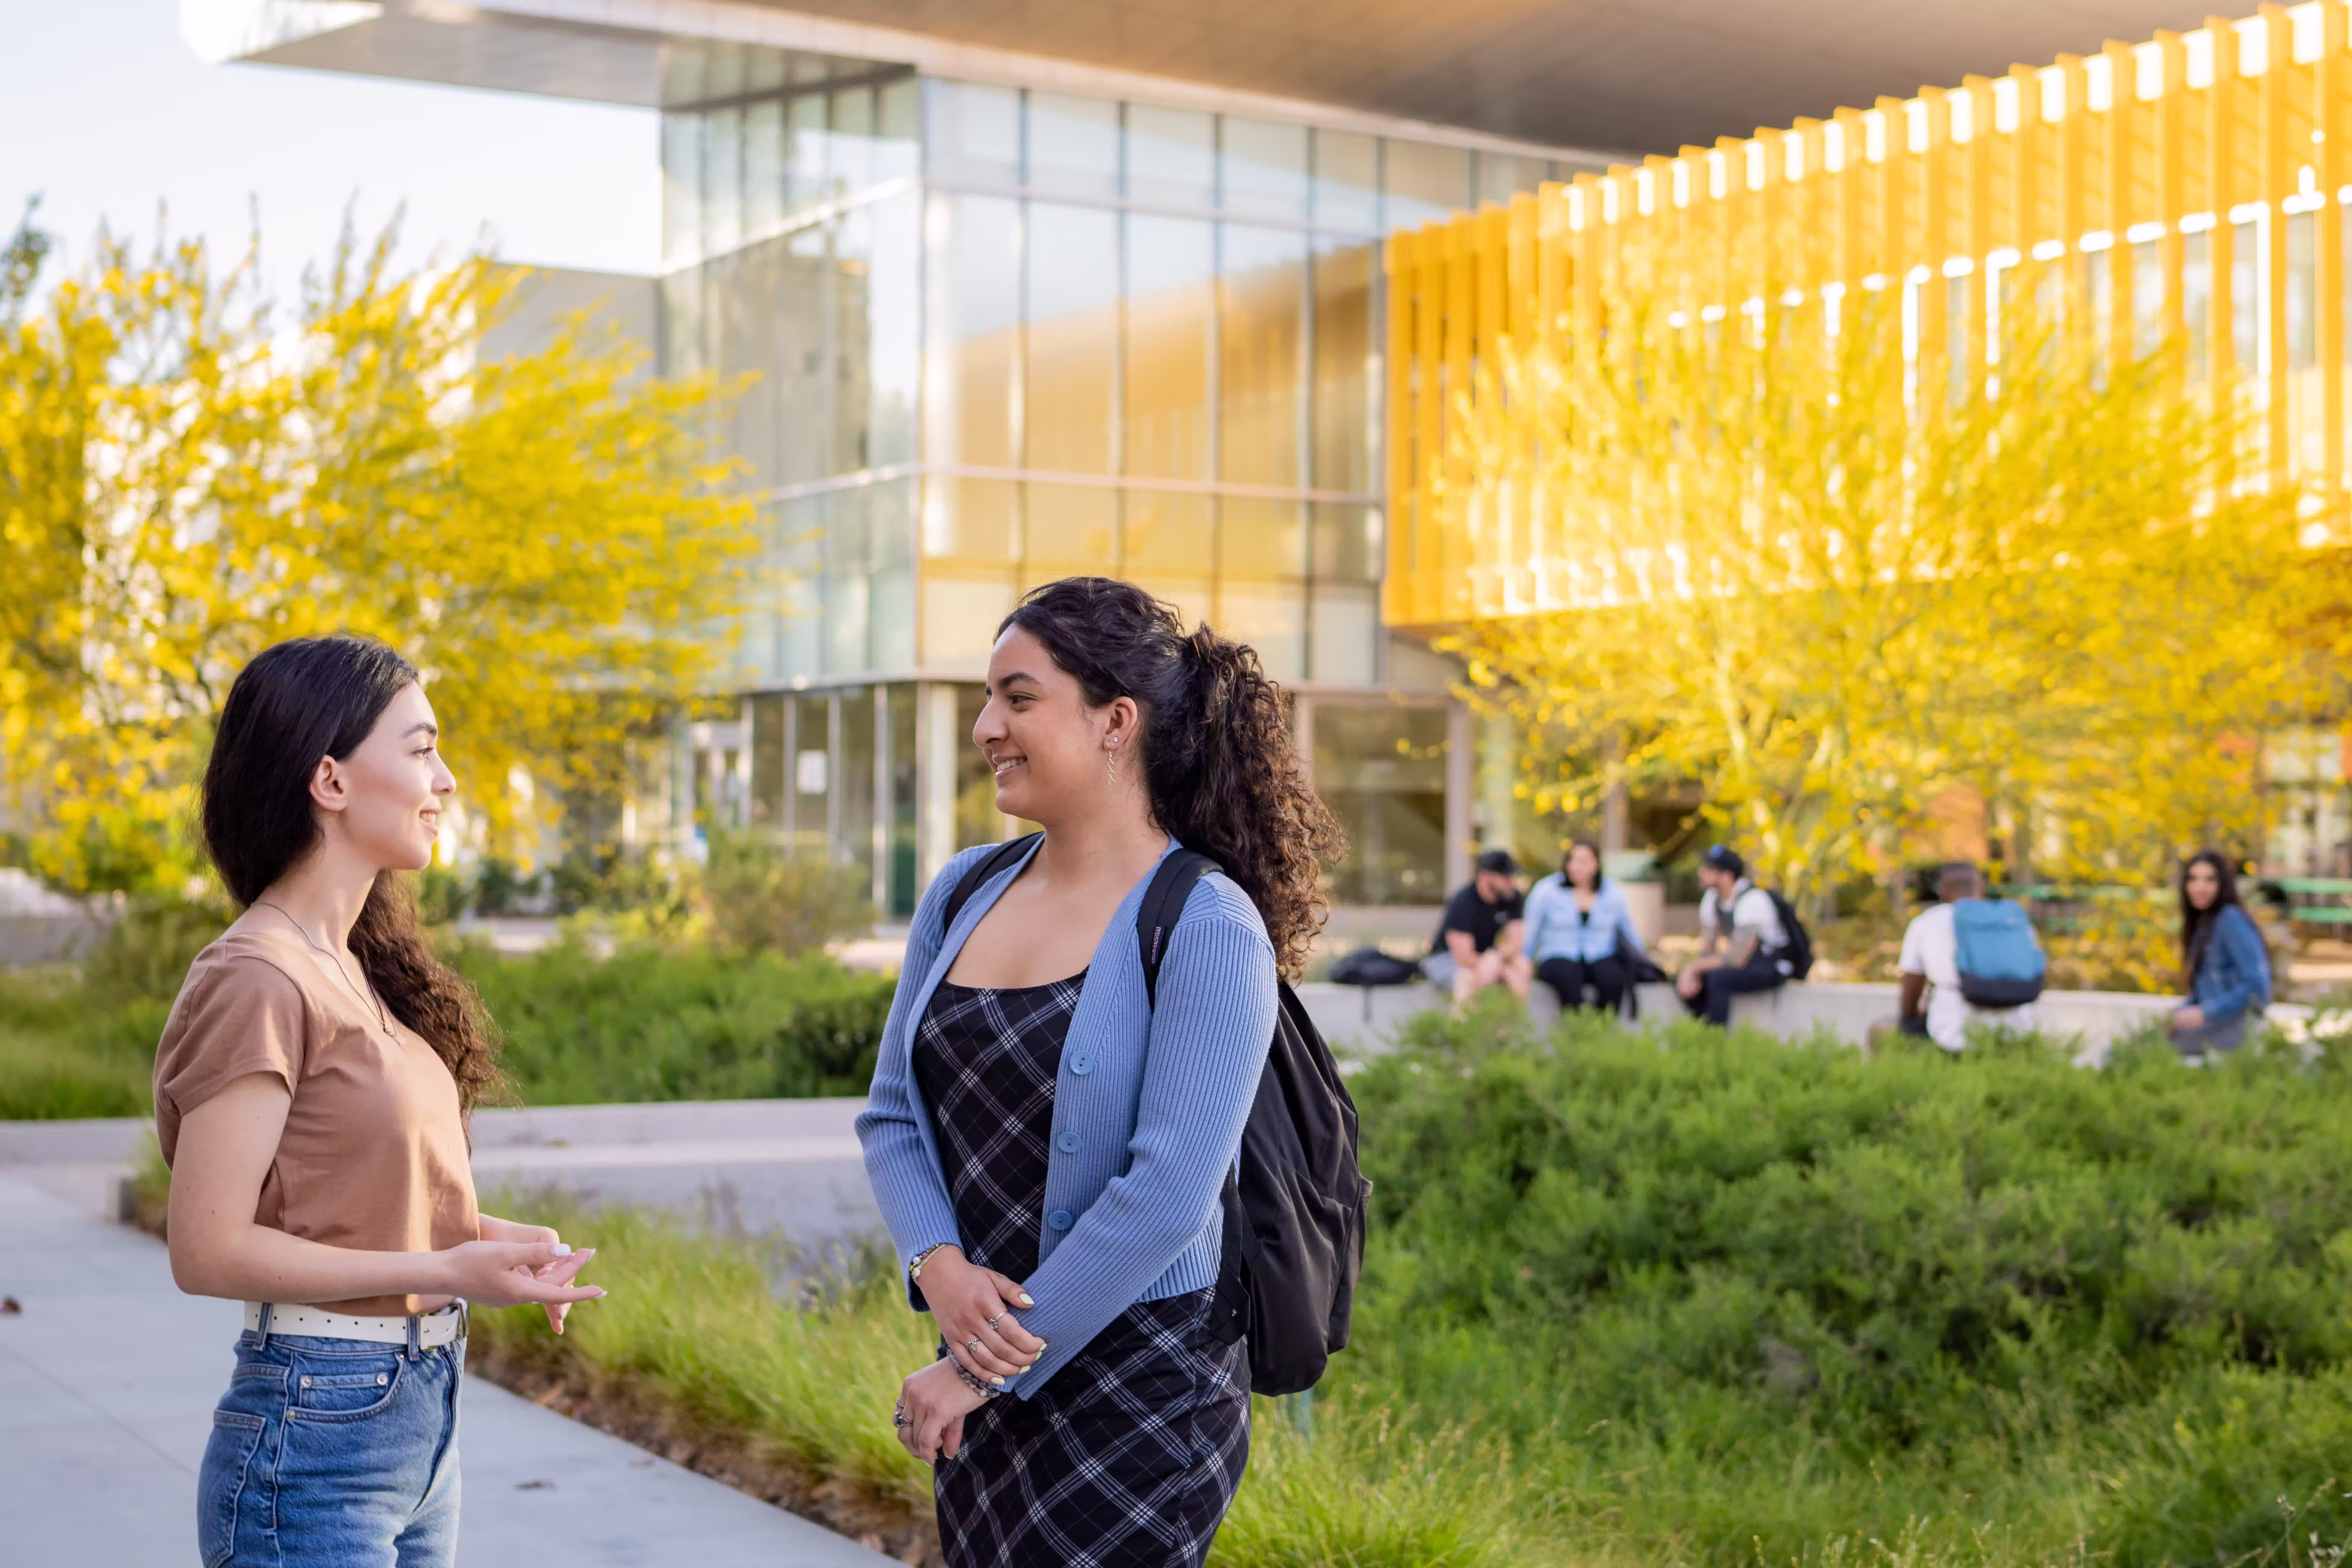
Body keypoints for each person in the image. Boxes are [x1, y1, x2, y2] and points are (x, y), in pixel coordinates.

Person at [857, 578, 1340, 1567]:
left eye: (1019, 697)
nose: (988, 726)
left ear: (1116, 721)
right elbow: (893, 1119)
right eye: (987, 698)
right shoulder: (962, 892)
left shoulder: (1205, 922)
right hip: (983, 1353)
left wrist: (982, 1370)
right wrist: (938, 1270)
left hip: (1139, 1389)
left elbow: (1168, 1197)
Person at [156, 635, 604, 1568]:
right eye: (422, 747)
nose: (446, 778)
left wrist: (490, 1245)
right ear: (331, 778)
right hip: (314, 1433)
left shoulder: (360, 968)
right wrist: (447, 1268)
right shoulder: (257, 977)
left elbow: (349, 1201)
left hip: (416, 1417)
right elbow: (207, 1247)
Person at [1881, 862, 2039, 1052]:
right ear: (1982, 889)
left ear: (1941, 890)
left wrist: (1908, 1022)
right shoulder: (2012, 920)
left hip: (1953, 1035)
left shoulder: (1928, 922)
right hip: (2017, 1032)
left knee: (1882, 1031)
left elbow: (1912, 981)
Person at [2169, 849, 2272, 1060]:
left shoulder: (2231, 919)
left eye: (2209, 880)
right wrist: (2183, 1013)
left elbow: (2258, 987)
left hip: (2234, 1029)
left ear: (2222, 885)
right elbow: (2203, 992)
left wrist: (2205, 1013)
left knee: (2145, 1049)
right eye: (2193, 879)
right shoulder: (2203, 926)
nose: (2200, 887)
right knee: (2147, 1037)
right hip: (2215, 1027)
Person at [1522, 839, 1646, 1015]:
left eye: (1582, 861)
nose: (1575, 867)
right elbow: (1531, 931)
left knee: (1612, 979)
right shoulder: (1547, 890)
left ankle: (1601, 1032)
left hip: (1600, 954)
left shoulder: (1612, 892)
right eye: (1571, 860)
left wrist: (1644, 960)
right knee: (1568, 978)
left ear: (1596, 864)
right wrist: (1524, 961)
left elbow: (1628, 929)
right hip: (1558, 954)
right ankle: (1578, 1033)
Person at [1677, 845, 1792, 1026]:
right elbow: (1708, 948)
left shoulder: (1752, 900)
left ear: (1727, 876)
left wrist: (1695, 967)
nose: (1701, 873)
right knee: (1689, 979)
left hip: (1771, 965)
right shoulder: (1712, 899)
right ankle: (1701, 1034)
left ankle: (1717, 1039)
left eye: (1708, 869)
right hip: (1747, 962)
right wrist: (1691, 972)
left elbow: (1738, 958)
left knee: (1718, 979)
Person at [1423, 848, 1530, 1004]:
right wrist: (1498, 969)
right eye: (1506, 877)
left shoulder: (1512, 898)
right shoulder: (1463, 901)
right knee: (1467, 980)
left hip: (1487, 957)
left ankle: (1514, 1026)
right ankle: (1463, 1027)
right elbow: (1463, 956)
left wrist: (1497, 957)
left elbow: (1516, 941)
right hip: (1446, 959)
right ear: (1486, 876)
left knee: (1522, 967)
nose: (1511, 882)